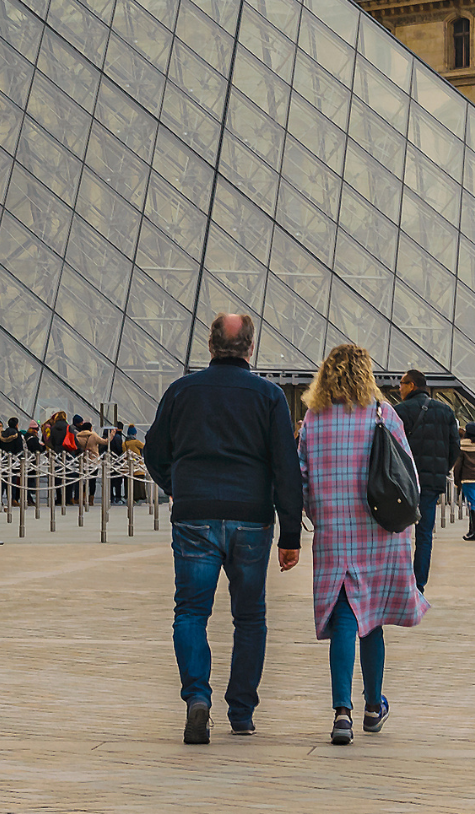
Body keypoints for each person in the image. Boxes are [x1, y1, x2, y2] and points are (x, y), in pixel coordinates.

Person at [144, 313, 302, 743]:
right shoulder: (269, 397)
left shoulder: (181, 391)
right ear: (250, 348)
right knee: (250, 617)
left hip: (195, 514)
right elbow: (286, 469)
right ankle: (242, 712)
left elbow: (154, 452)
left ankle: (198, 697)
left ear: (210, 346)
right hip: (252, 517)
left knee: (191, 610)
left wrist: (178, 486)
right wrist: (291, 535)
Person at [298, 343, 428, 745]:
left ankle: (342, 713)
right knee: (370, 619)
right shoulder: (382, 414)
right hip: (379, 532)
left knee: (343, 617)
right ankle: (374, 706)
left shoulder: (313, 420)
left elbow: (301, 480)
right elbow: (409, 478)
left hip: (335, 533)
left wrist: (318, 515)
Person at [392, 370, 459, 594]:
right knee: (424, 534)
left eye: (401, 384)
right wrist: (440, 470)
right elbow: (454, 448)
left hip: (403, 481)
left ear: (411, 385)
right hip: (430, 483)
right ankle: (418, 583)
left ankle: (396, 580)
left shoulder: (399, 411)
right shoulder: (445, 410)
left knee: (397, 531)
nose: (398, 388)